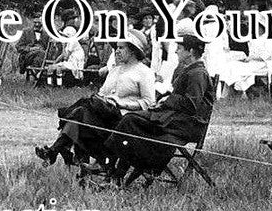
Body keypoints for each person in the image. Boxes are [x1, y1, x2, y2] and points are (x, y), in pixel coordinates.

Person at [106, 20, 214, 187]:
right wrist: (165, 99)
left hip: (186, 126)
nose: (176, 50)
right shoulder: (190, 70)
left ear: (191, 51)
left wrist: (167, 100)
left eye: (180, 48)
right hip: (175, 119)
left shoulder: (198, 73)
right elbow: (182, 99)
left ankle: (114, 171)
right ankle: (116, 176)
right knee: (131, 121)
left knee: (130, 120)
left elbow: (191, 104)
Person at [34, 29, 157, 167]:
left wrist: (121, 103)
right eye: (116, 47)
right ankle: (61, 153)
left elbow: (150, 103)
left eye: (121, 48)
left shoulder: (144, 72)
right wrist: (103, 99)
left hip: (122, 120)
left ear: (133, 50)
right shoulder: (115, 70)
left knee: (80, 111)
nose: (116, 51)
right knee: (81, 112)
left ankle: (55, 151)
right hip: (103, 114)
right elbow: (102, 92)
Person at [38, 10, 86, 85]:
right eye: (71, 19)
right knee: (52, 67)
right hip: (69, 58)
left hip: (75, 60)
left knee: (58, 68)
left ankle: (58, 84)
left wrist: (63, 48)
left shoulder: (72, 41)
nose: (73, 21)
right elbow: (63, 55)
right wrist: (55, 62)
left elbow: (66, 56)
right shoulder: (66, 37)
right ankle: (50, 84)